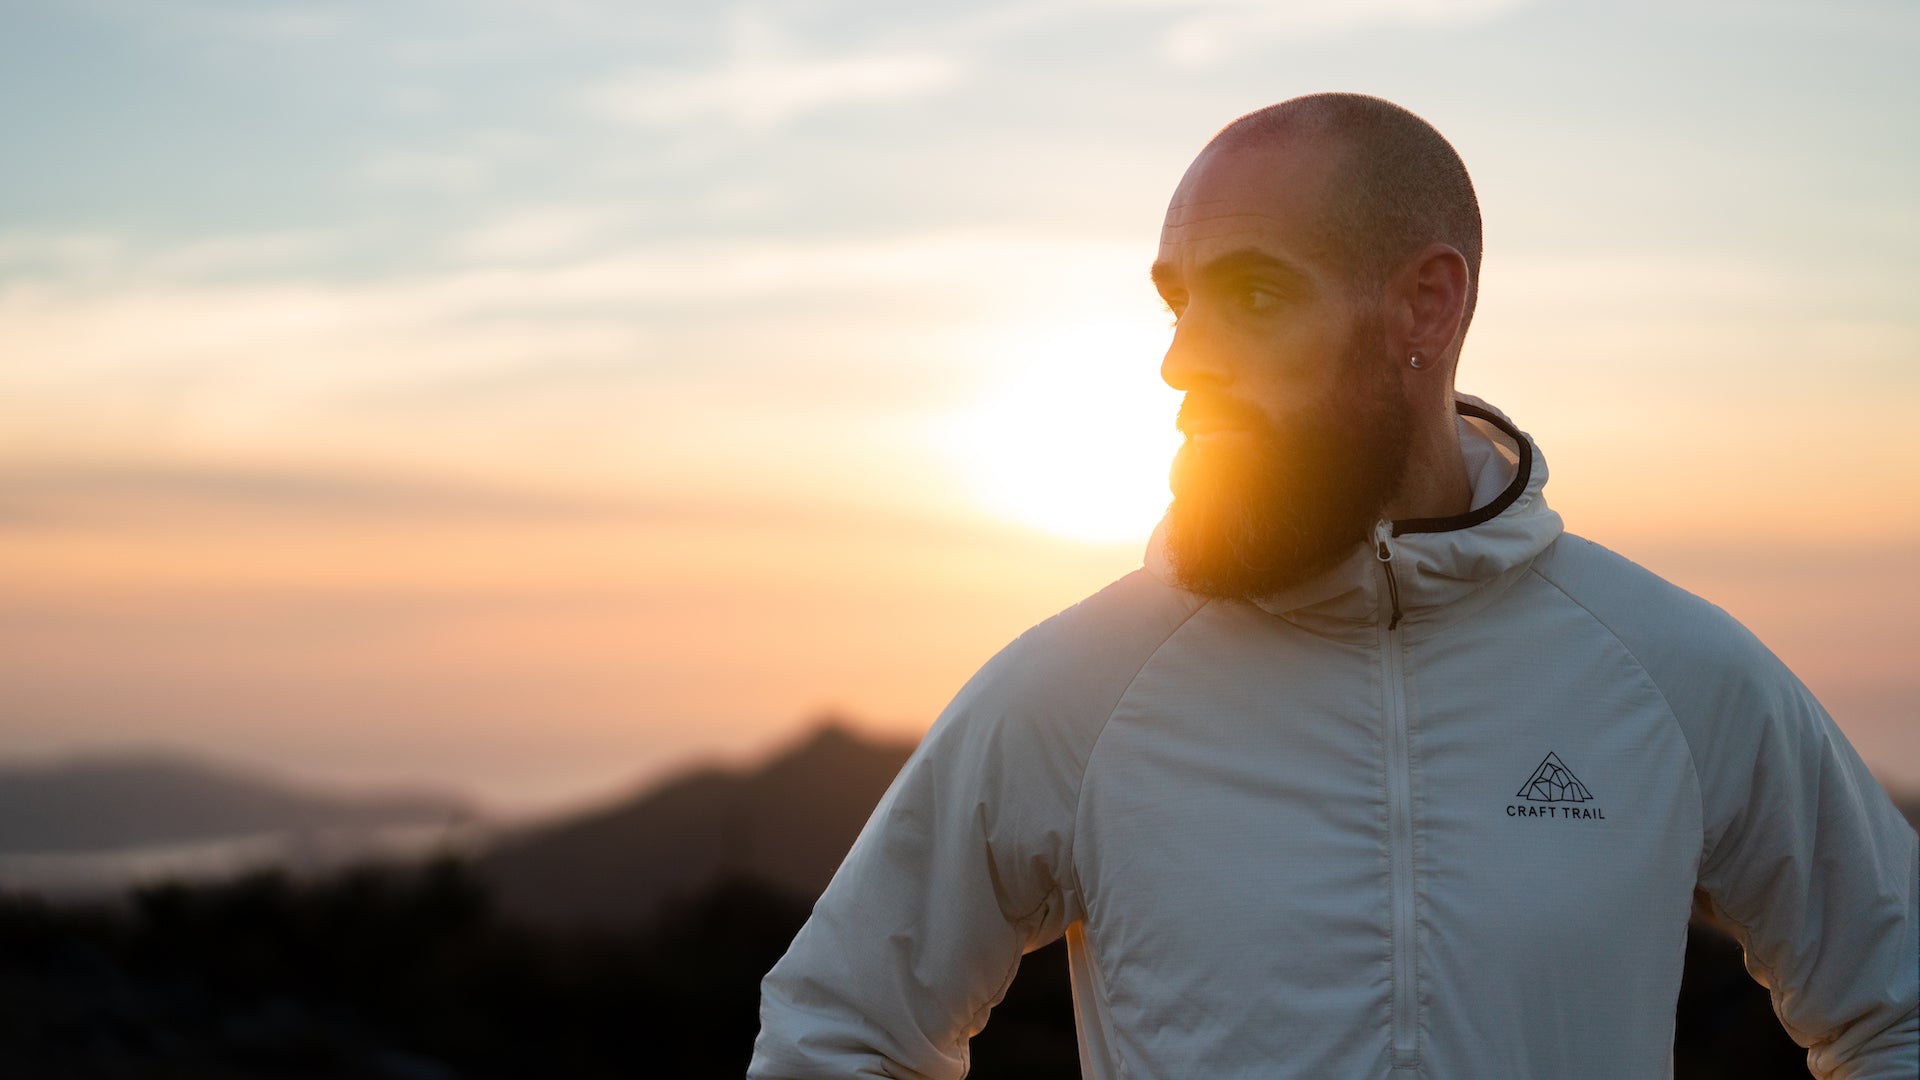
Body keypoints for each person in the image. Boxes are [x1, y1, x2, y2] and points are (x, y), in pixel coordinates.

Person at [747, 93, 1918, 1079]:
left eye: (1255, 295)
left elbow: (1897, 1006)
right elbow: (837, 1031)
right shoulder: (1079, 688)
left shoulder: (1668, 669)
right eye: (1179, 302)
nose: (1182, 359)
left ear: (1427, 306)